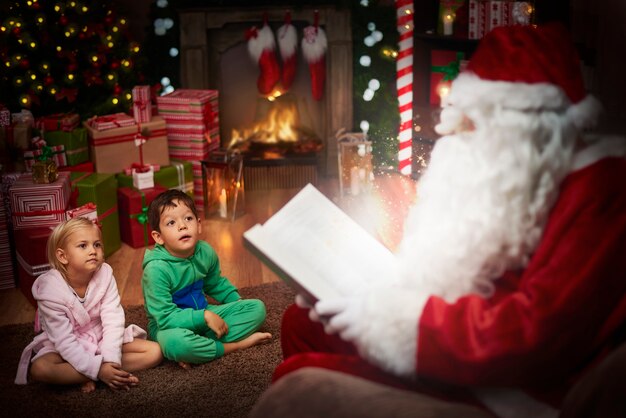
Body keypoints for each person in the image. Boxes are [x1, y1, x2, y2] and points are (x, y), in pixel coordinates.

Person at [266, 23, 626, 417]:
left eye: (473, 124)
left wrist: (395, 320)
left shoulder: (598, 188)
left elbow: (533, 335)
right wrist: (346, 285)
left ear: (525, 125)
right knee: (303, 321)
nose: (457, 138)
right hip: (454, 327)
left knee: (297, 377)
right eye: (460, 122)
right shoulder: (516, 174)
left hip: (508, 387)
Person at [15, 217, 163, 392]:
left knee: (155, 352)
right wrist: (98, 369)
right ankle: (101, 373)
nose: (93, 250)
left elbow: (113, 319)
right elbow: (63, 340)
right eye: (83, 246)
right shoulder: (50, 292)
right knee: (40, 369)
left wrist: (110, 360)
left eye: (97, 244)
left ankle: (95, 373)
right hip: (67, 344)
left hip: (101, 336)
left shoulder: (105, 275)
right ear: (62, 256)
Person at [142, 189, 271, 368]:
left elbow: (216, 284)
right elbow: (165, 317)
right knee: (176, 343)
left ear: (199, 224)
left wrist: (238, 306)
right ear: (158, 237)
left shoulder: (205, 252)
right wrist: (204, 317)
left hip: (205, 314)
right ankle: (234, 346)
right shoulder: (156, 269)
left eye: (188, 218)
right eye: (171, 223)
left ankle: (200, 348)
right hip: (170, 326)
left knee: (257, 309)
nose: (182, 226)